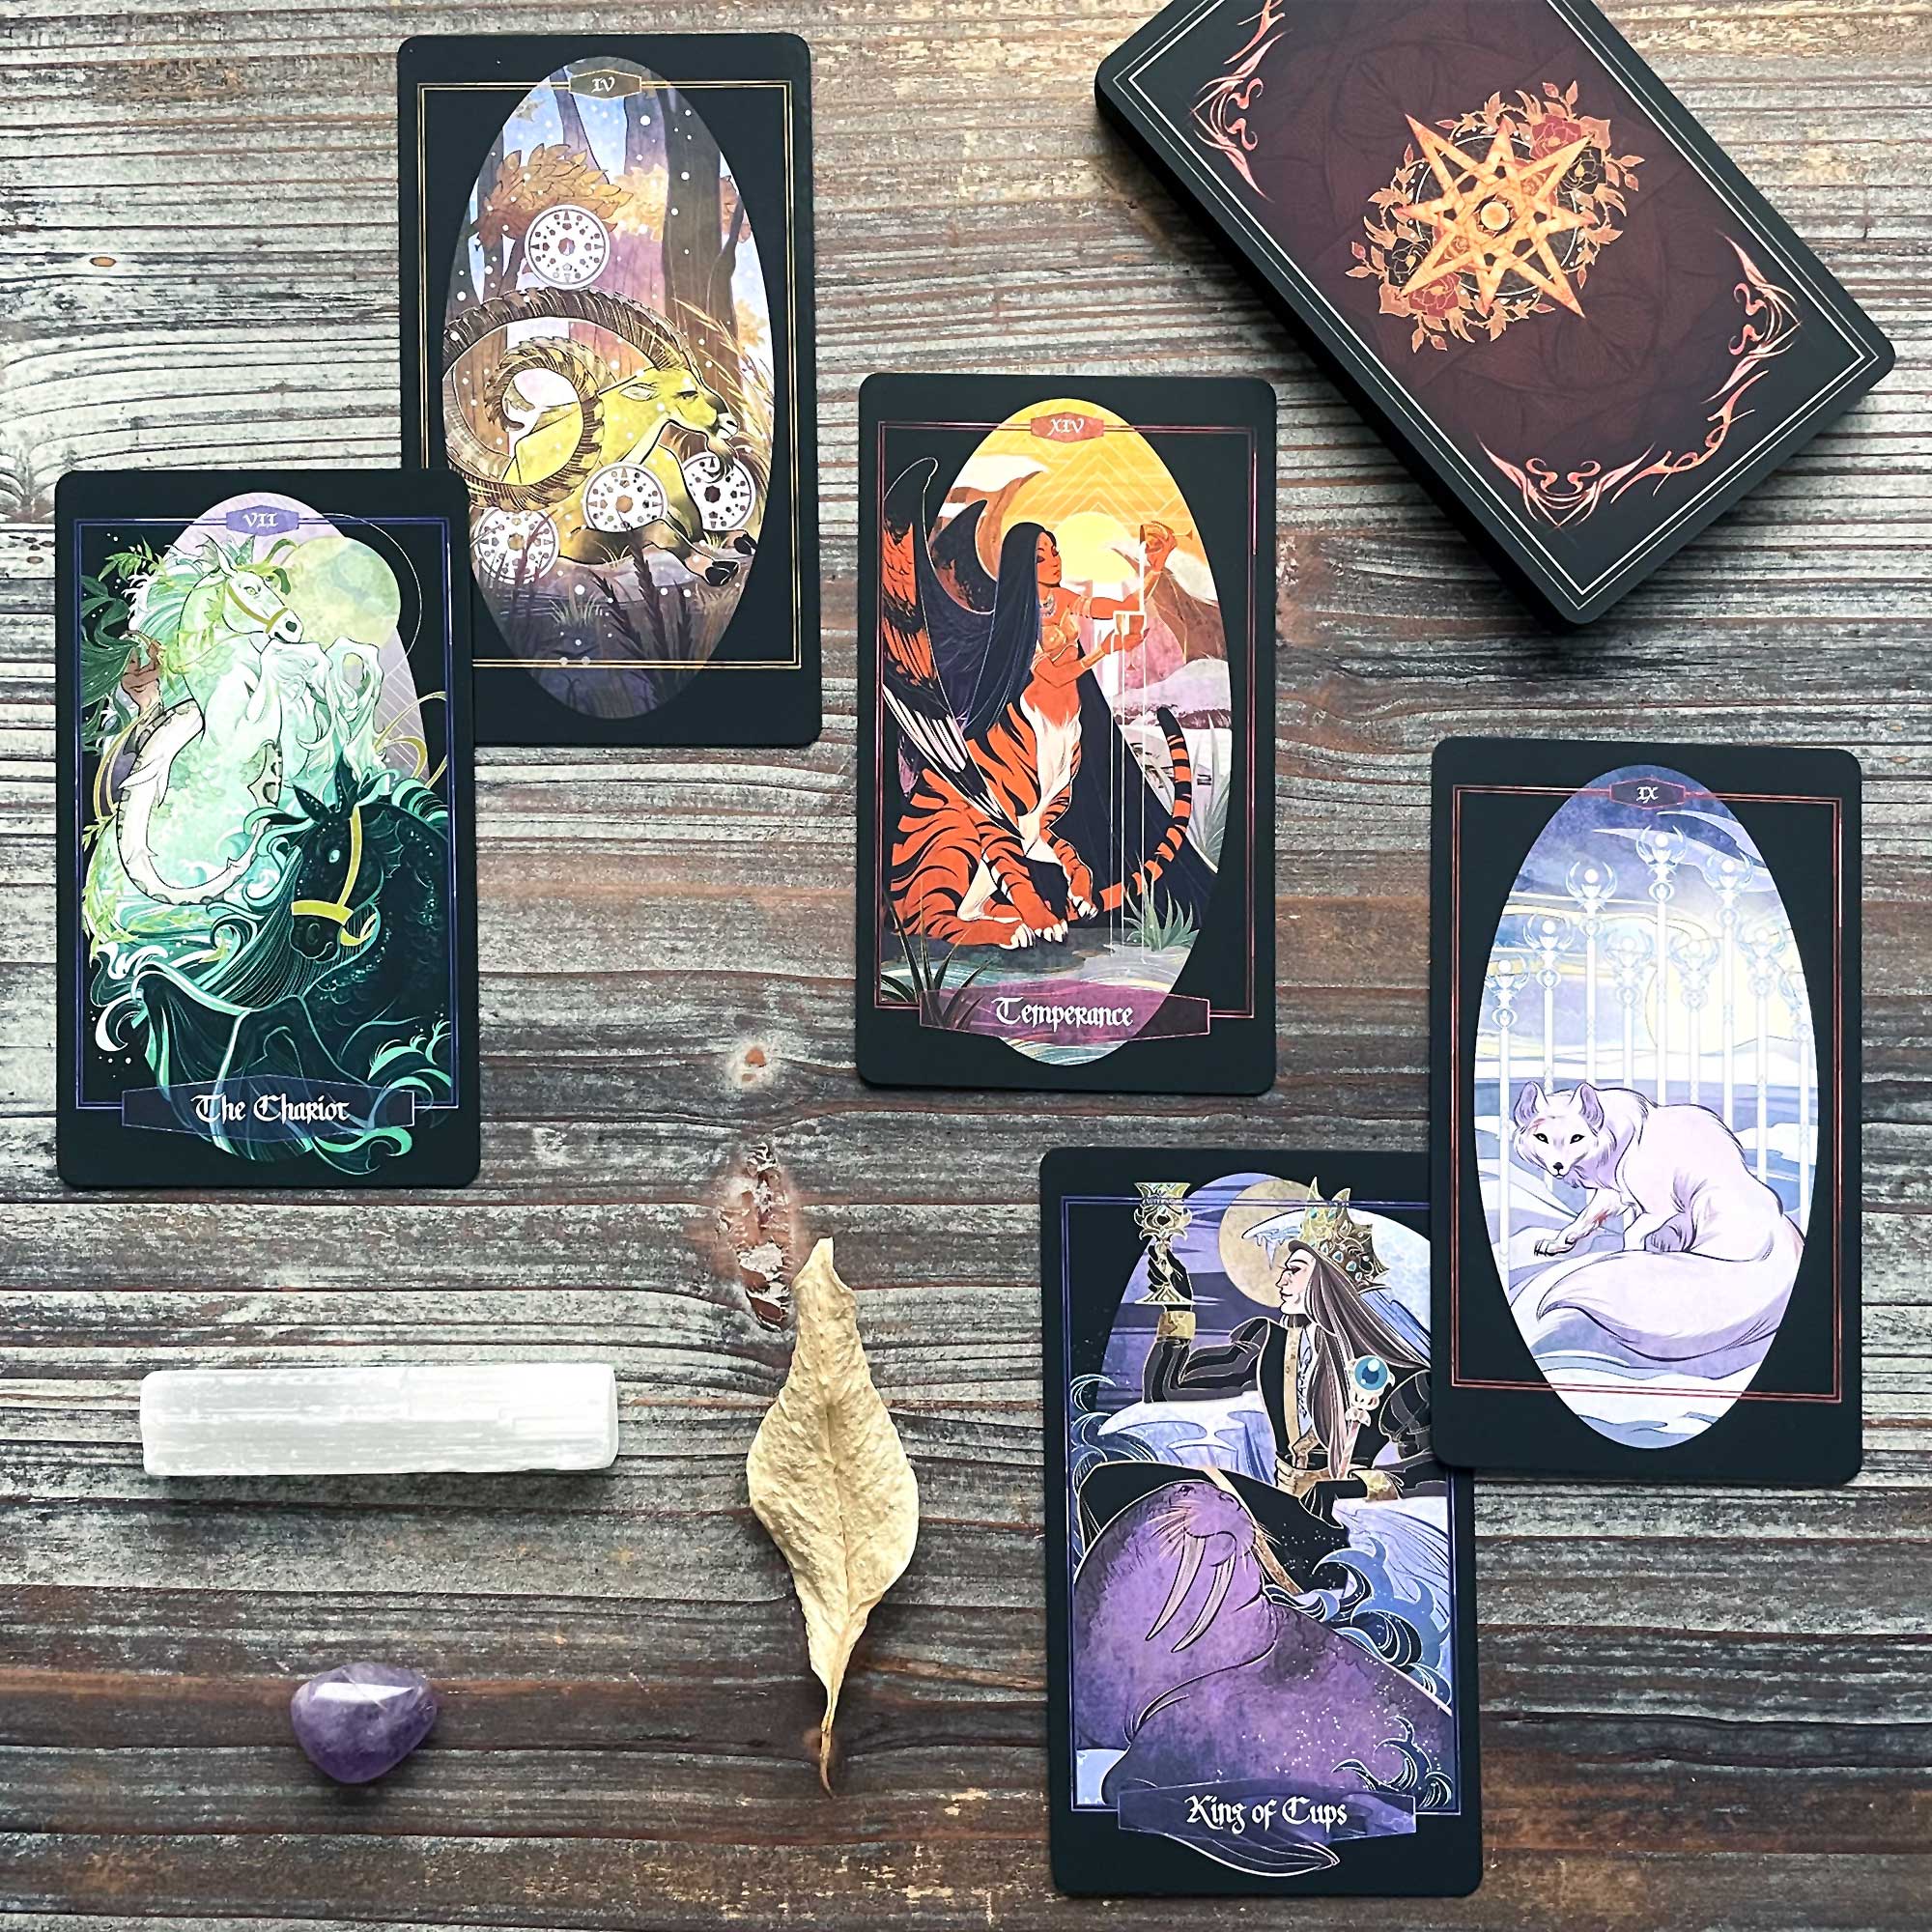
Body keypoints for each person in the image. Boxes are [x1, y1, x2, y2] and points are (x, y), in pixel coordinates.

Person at [1078, 1196, 1435, 1587]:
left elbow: (1435, 1468)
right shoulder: (1271, 1345)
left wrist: (1356, 1486)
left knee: (1118, 1487)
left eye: (1294, 1270)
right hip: (1280, 1520)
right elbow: (1165, 1388)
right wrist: (1179, 1307)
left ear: (1328, 1280)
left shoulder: (1396, 1374)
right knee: (1108, 1487)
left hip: (1337, 1536)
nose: (1281, 1280)